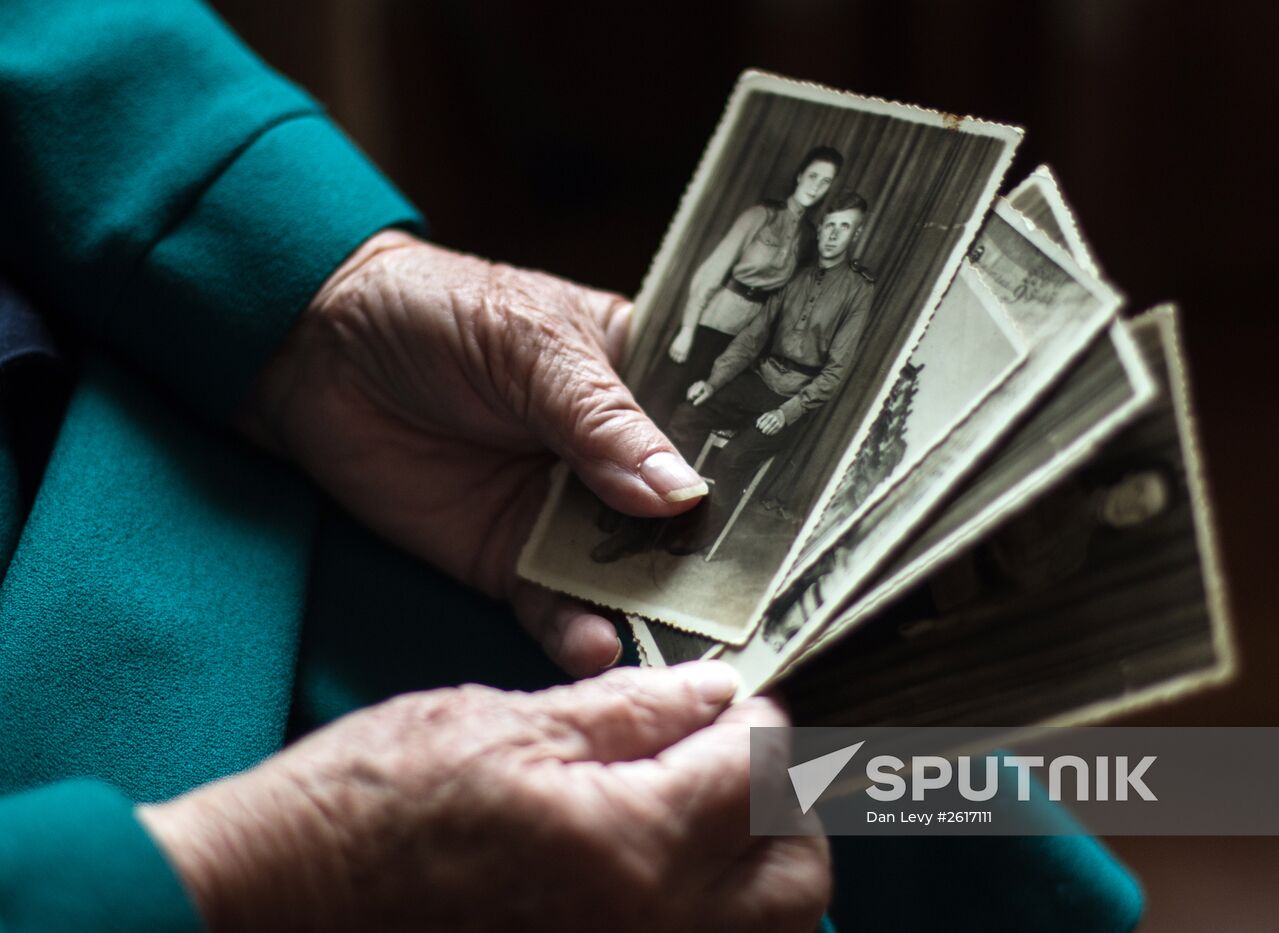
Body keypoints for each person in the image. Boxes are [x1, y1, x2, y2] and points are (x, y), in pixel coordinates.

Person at [0, 3, 1143, 930]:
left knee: (851, 704)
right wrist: (245, 873)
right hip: (117, 797)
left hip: (159, 348)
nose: (822, 227)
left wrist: (297, 282)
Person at [665, 192, 875, 553]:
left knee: (731, 459)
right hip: (759, 380)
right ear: (821, 228)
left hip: (793, 399)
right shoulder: (796, 278)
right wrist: (714, 381)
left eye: (845, 227)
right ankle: (667, 508)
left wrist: (786, 412)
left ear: (855, 235)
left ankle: (703, 532)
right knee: (686, 416)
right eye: (830, 226)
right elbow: (752, 336)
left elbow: (836, 370)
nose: (834, 235)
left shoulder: (858, 290)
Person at [649, 146, 843, 418]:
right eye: (813, 176)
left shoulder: (809, 237)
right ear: (799, 175)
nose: (816, 187)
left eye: (825, 182)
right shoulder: (760, 215)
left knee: (690, 413)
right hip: (710, 323)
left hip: (744, 340)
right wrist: (688, 329)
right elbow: (710, 273)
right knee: (658, 403)